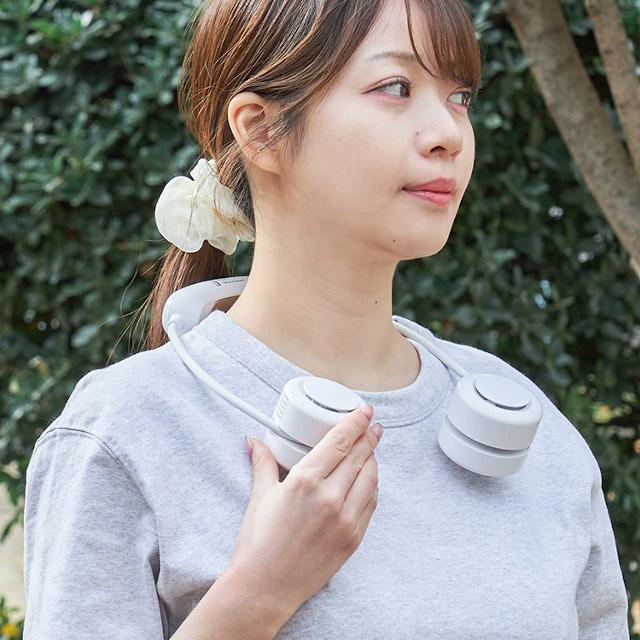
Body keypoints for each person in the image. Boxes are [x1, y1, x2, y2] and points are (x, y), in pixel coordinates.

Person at [23, 0, 630, 638]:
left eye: (459, 97)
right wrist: (257, 597)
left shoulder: (536, 438)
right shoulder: (128, 432)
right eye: (395, 87)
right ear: (260, 130)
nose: (449, 134)